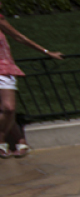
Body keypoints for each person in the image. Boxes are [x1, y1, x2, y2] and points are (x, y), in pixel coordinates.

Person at [0, 9, 62, 157]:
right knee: (3, 109)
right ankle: (19, 140)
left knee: (9, 108)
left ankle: (1, 139)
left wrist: (47, 52)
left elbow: (18, 37)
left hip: (3, 67)